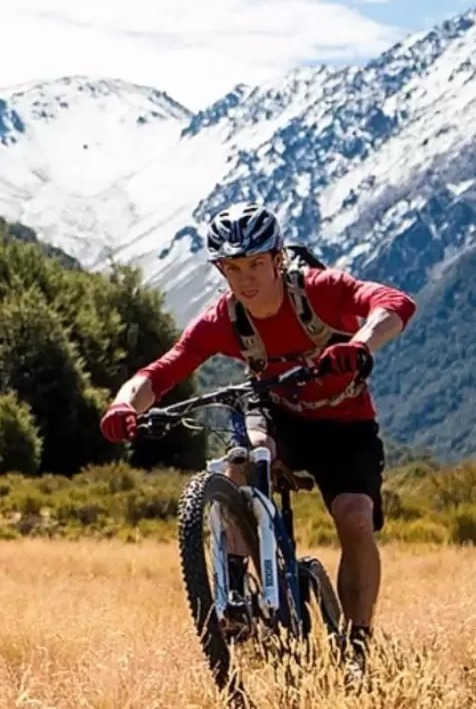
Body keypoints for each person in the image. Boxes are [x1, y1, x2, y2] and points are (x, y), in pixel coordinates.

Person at [99, 201, 417, 675]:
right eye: (232, 268)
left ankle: (357, 645)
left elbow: (394, 303)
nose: (246, 279)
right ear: (220, 270)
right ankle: (235, 597)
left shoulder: (318, 290)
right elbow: (163, 370)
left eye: (254, 265)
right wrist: (124, 404)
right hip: (279, 415)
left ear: (277, 259)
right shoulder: (223, 319)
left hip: (346, 425)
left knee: (355, 516)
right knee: (242, 458)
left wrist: (358, 345)